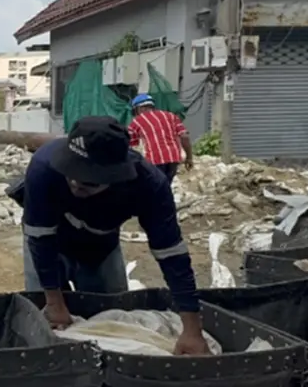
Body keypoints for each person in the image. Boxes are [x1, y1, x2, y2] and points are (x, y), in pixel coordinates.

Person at [12, 116, 209, 355]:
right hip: (47, 246)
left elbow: (172, 255)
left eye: (87, 181)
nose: (75, 183)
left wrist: (192, 330)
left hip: (101, 247)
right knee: (47, 327)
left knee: (113, 323)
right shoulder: (44, 167)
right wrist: (54, 301)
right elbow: (40, 237)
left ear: (115, 175)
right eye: (70, 172)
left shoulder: (149, 186)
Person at [127, 93, 192, 181]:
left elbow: (132, 146)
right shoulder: (171, 116)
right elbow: (184, 136)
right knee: (166, 186)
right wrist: (189, 158)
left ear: (139, 109)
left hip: (154, 160)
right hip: (173, 159)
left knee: (154, 189)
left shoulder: (136, 122)